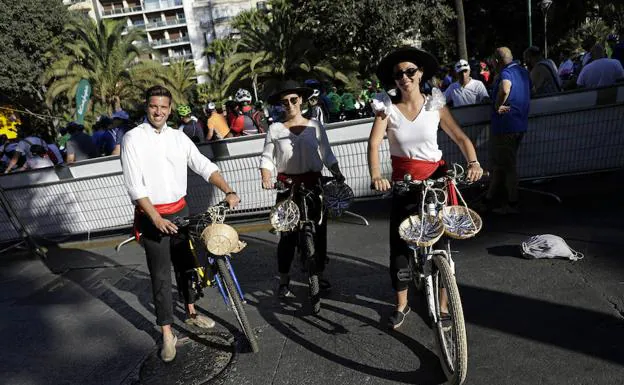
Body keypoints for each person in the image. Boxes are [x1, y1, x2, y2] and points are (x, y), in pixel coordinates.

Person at [121, 85, 240, 362]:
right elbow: (134, 186)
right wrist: (155, 218)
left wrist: (228, 189)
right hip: (152, 217)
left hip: (180, 211)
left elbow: (203, 165)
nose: (158, 111)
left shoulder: (179, 138)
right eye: (153, 106)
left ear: (170, 108)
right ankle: (166, 334)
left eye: (163, 107)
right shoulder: (132, 139)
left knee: (189, 266)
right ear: (146, 107)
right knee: (161, 276)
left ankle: (191, 312)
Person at [368, 47, 483, 329]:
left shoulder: (435, 104)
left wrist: (474, 162)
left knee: (442, 244)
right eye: (398, 74)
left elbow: (459, 137)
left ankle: (444, 306)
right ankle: (402, 304)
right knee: (400, 246)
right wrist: (376, 175)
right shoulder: (387, 109)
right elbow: (373, 144)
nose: (404, 78)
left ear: (420, 74)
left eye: (410, 71)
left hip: (435, 182)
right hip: (406, 185)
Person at [259, 80, 345, 299]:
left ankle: (319, 273)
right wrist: (266, 176)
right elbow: (268, 158)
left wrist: (336, 172)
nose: (289, 104)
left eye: (293, 100)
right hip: (287, 187)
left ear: (302, 101)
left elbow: (327, 153)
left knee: (320, 230)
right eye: (284, 102)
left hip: (313, 184)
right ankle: (284, 279)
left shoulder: (315, 125)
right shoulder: (275, 129)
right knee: (286, 236)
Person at [486, 47, 531, 214]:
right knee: (502, 165)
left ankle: (512, 204)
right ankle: (489, 199)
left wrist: (498, 105)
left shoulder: (506, 73)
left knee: (508, 166)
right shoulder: (523, 71)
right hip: (519, 124)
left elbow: (505, 88)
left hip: (506, 126)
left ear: (497, 61)